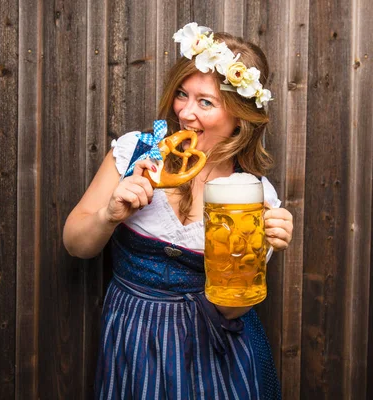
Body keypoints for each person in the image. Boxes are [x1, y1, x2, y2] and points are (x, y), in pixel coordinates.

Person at [63, 22, 293, 399]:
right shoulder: (135, 152)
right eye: (182, 95)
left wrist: (255, 254)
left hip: (214, 349)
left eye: (206, 102)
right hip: (132, 337)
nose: (185, 113)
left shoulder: (253, 196)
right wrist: (109, 215)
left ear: (240, 116)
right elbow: (75, 245)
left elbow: (230, 311)